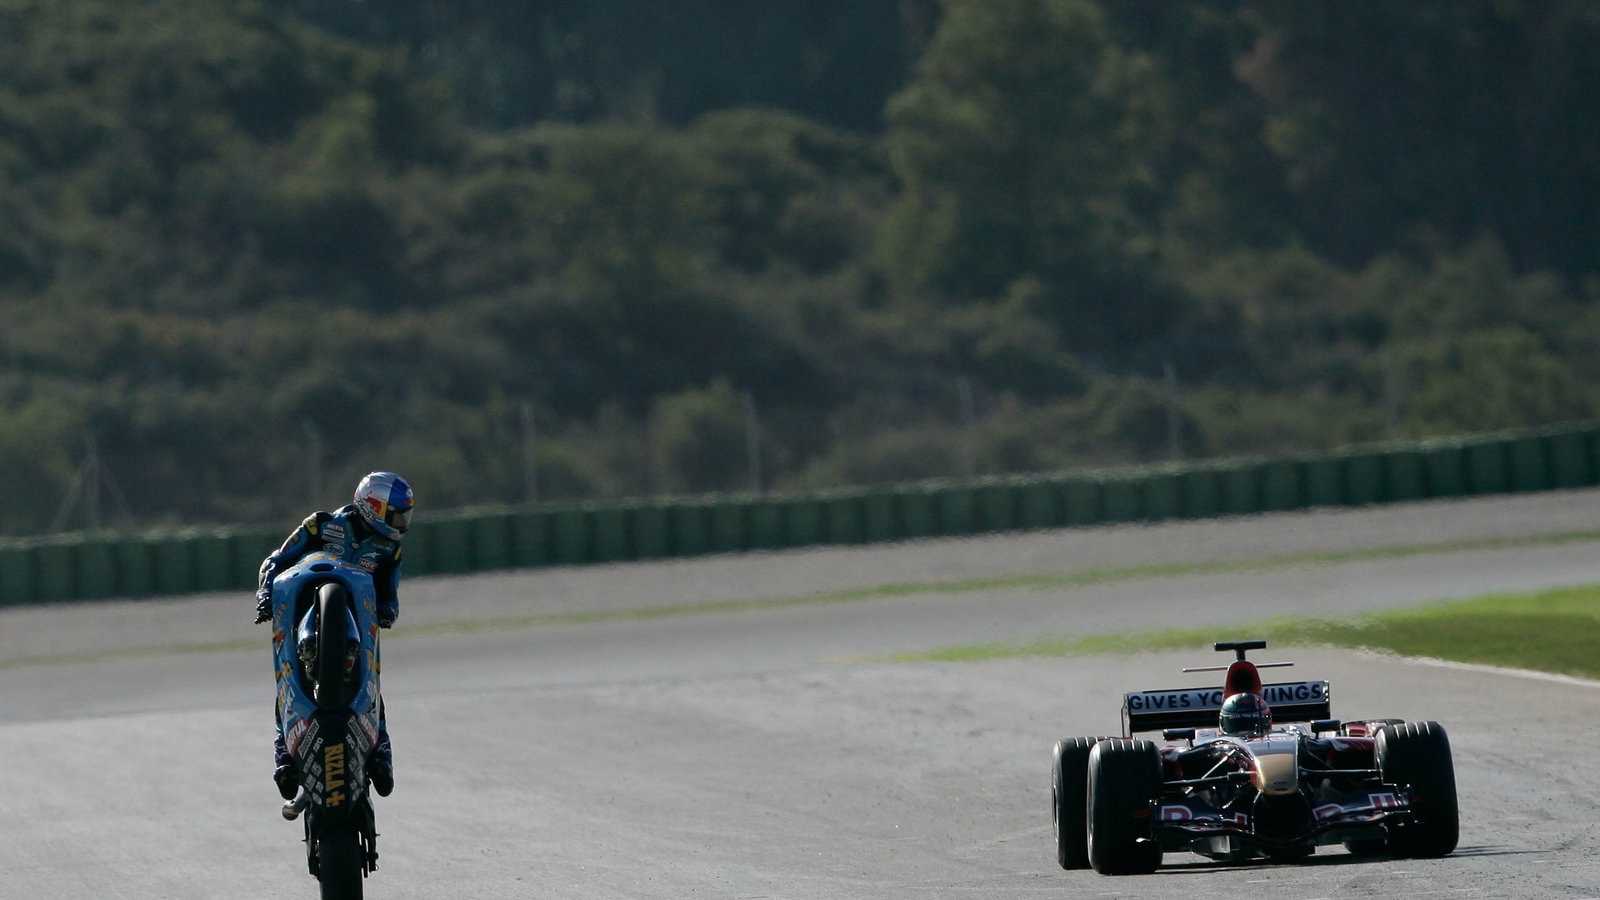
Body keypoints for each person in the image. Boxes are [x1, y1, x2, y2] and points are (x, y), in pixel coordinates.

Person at [253, 471, 414, 801]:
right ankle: (283, 753)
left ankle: (382, 751)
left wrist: (388, 611)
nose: (401, 523)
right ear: (373, 507)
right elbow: (277, 558)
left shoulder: (389, 550)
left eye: (404, 516)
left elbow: (390, 593)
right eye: (396, 515)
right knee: (285, 678)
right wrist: (265, 592)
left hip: (357, 619)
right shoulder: (319, 525)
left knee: (373, 679)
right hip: (303, 611)